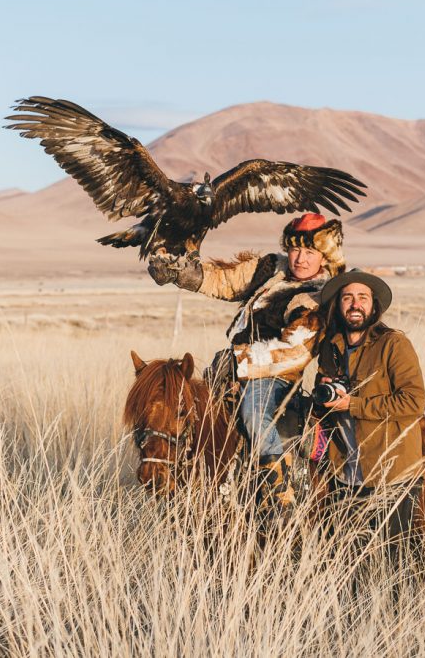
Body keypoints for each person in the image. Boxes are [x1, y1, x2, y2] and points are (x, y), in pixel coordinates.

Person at [147, 213, 347, 517]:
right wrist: (181, 275)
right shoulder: (271, 269)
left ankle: (278, 492)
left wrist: (239, 360)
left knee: (254, 415)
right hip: (233, 373)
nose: (300, 259)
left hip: (274, 379)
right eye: (295, 250)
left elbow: (293, 353)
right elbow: (227, 280)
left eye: (310, 252)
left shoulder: (320, 298)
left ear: (324, 256)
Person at [313, 269, 425, 548]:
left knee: (393, 561)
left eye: (363, 297)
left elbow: (413, 402)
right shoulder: (331, 347)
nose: (355, 304)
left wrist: (352, 404)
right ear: (338, 306)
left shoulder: (393, 344)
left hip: (391, 474)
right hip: (346, 475)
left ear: (374, 306)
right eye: (347, 297)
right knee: (351, 561)